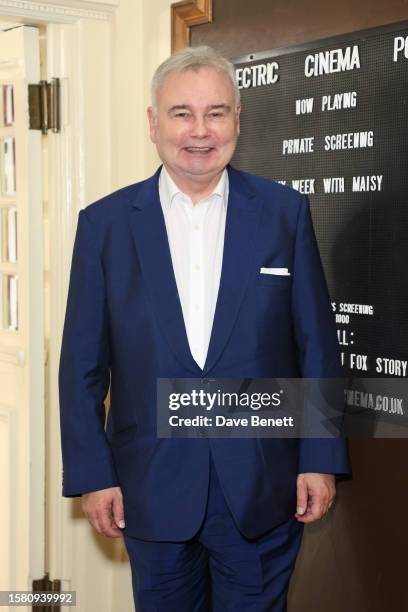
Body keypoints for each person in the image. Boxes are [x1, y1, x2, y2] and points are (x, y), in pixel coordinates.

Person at [59, 45, 350, 611]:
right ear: (152, 123)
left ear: (238, 119)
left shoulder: (283, 213)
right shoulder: (105, 226)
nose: (200, 131)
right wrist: (94, 474)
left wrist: (320, 458)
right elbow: (81, 366)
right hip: (149, 489)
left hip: (264, 490)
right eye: (181, 113)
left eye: (216, 113)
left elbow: (315, 343)